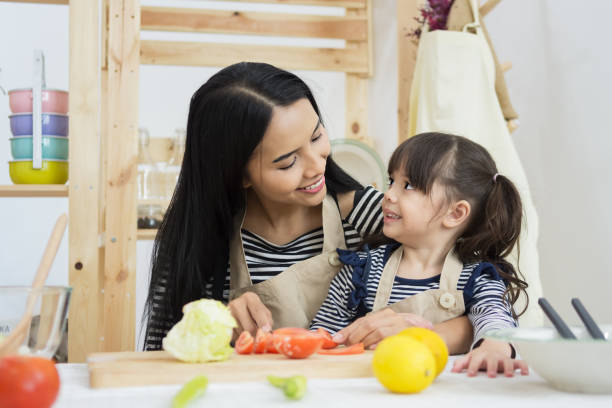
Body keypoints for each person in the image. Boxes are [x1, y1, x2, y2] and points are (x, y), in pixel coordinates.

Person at [143, 63, 472, 353]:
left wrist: (424, 334)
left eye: (317, 137)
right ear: (239, 174)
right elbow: (161, 352)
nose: (317, 166)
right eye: (288, 162)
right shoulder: (198, 242)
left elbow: (487, 305)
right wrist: (217, 327)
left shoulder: (370, 216)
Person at [310, 132, 530, 377]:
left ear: (456, 213)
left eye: (409, 186)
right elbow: (322, 335)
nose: (389, 194)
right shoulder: (362, 269)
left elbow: (496, 322)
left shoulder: (476, 276)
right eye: (391, 181)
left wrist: (494, 350)